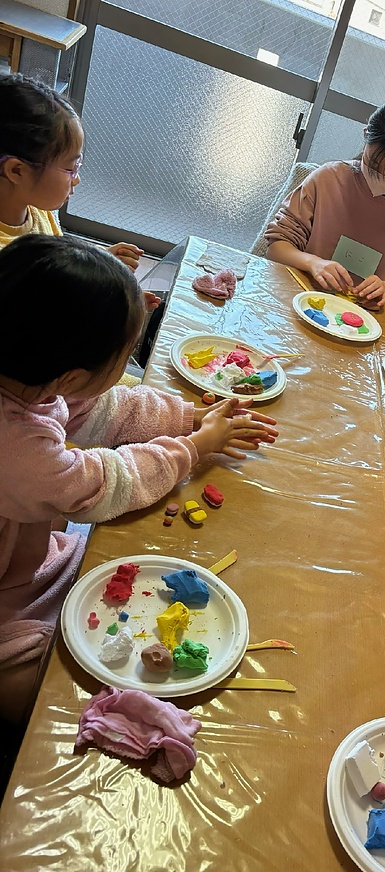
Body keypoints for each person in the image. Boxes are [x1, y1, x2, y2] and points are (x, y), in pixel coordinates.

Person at [0, 235, 279, 723]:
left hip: (23, 553)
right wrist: (194, 449)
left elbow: (104, 408)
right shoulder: (15, 446)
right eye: (121, 359)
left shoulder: (23, 371)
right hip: (10, 593)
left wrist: (190, 418)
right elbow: (105, 485)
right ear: (68, 375)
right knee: (48, 689)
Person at [264, 98, 385, 309]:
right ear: (366, 136)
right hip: (301, 301)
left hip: (368, 322)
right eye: (373, 164)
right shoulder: (328, 179)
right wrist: (313, 263)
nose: (381, 177)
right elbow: (277, 247)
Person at [0, 73, 151, 297]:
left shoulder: (38, 211)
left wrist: (96, 262)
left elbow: (54, 272)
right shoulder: (7, 261)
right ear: (17, 170)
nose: (77, 179)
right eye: (71, 169)